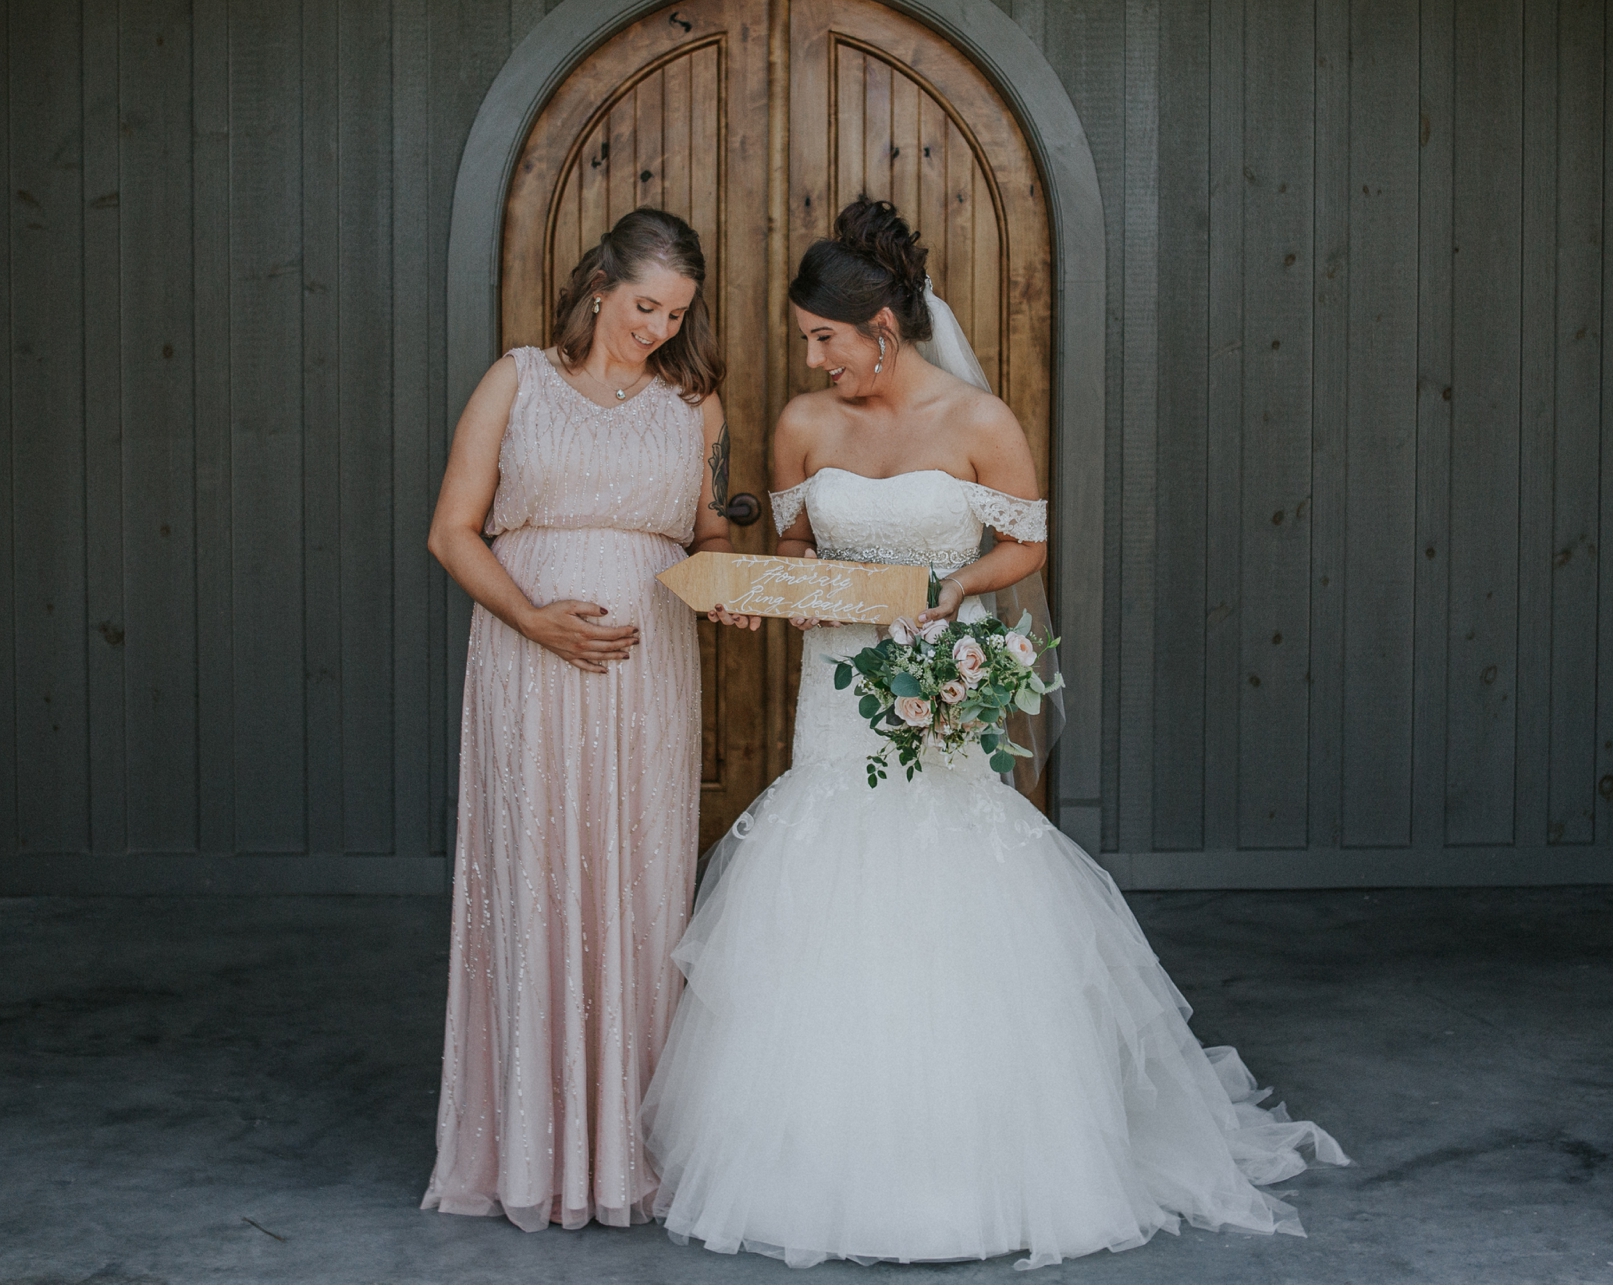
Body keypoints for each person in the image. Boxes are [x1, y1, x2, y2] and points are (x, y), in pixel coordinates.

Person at [640, 197, 1348, 1269]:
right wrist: (749, 593)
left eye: (823, 338)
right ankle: (817, 1158)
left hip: (938, 671)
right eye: (804, 342)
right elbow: (790, 559)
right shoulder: (799, 424)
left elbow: (1024, 547)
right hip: (837, 689)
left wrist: (952, 587)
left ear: (881, 326)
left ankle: (971, 1159)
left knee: (947, 880)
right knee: (826, 880)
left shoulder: (978, 423)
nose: (811, 357)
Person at [423, 207, 758, 1233]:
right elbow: (450, 530)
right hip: (527, 670)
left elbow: (708, 532)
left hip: (646, 671)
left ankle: (626, 1148)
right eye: (644, 305)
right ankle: (522, 1147)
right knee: (532, 877)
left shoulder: (696, 405)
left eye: (676, 313)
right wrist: (531, 616)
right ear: (599, 284)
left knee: (636, 885)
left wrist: (729, 581)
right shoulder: (513, 380)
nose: (658, 327)